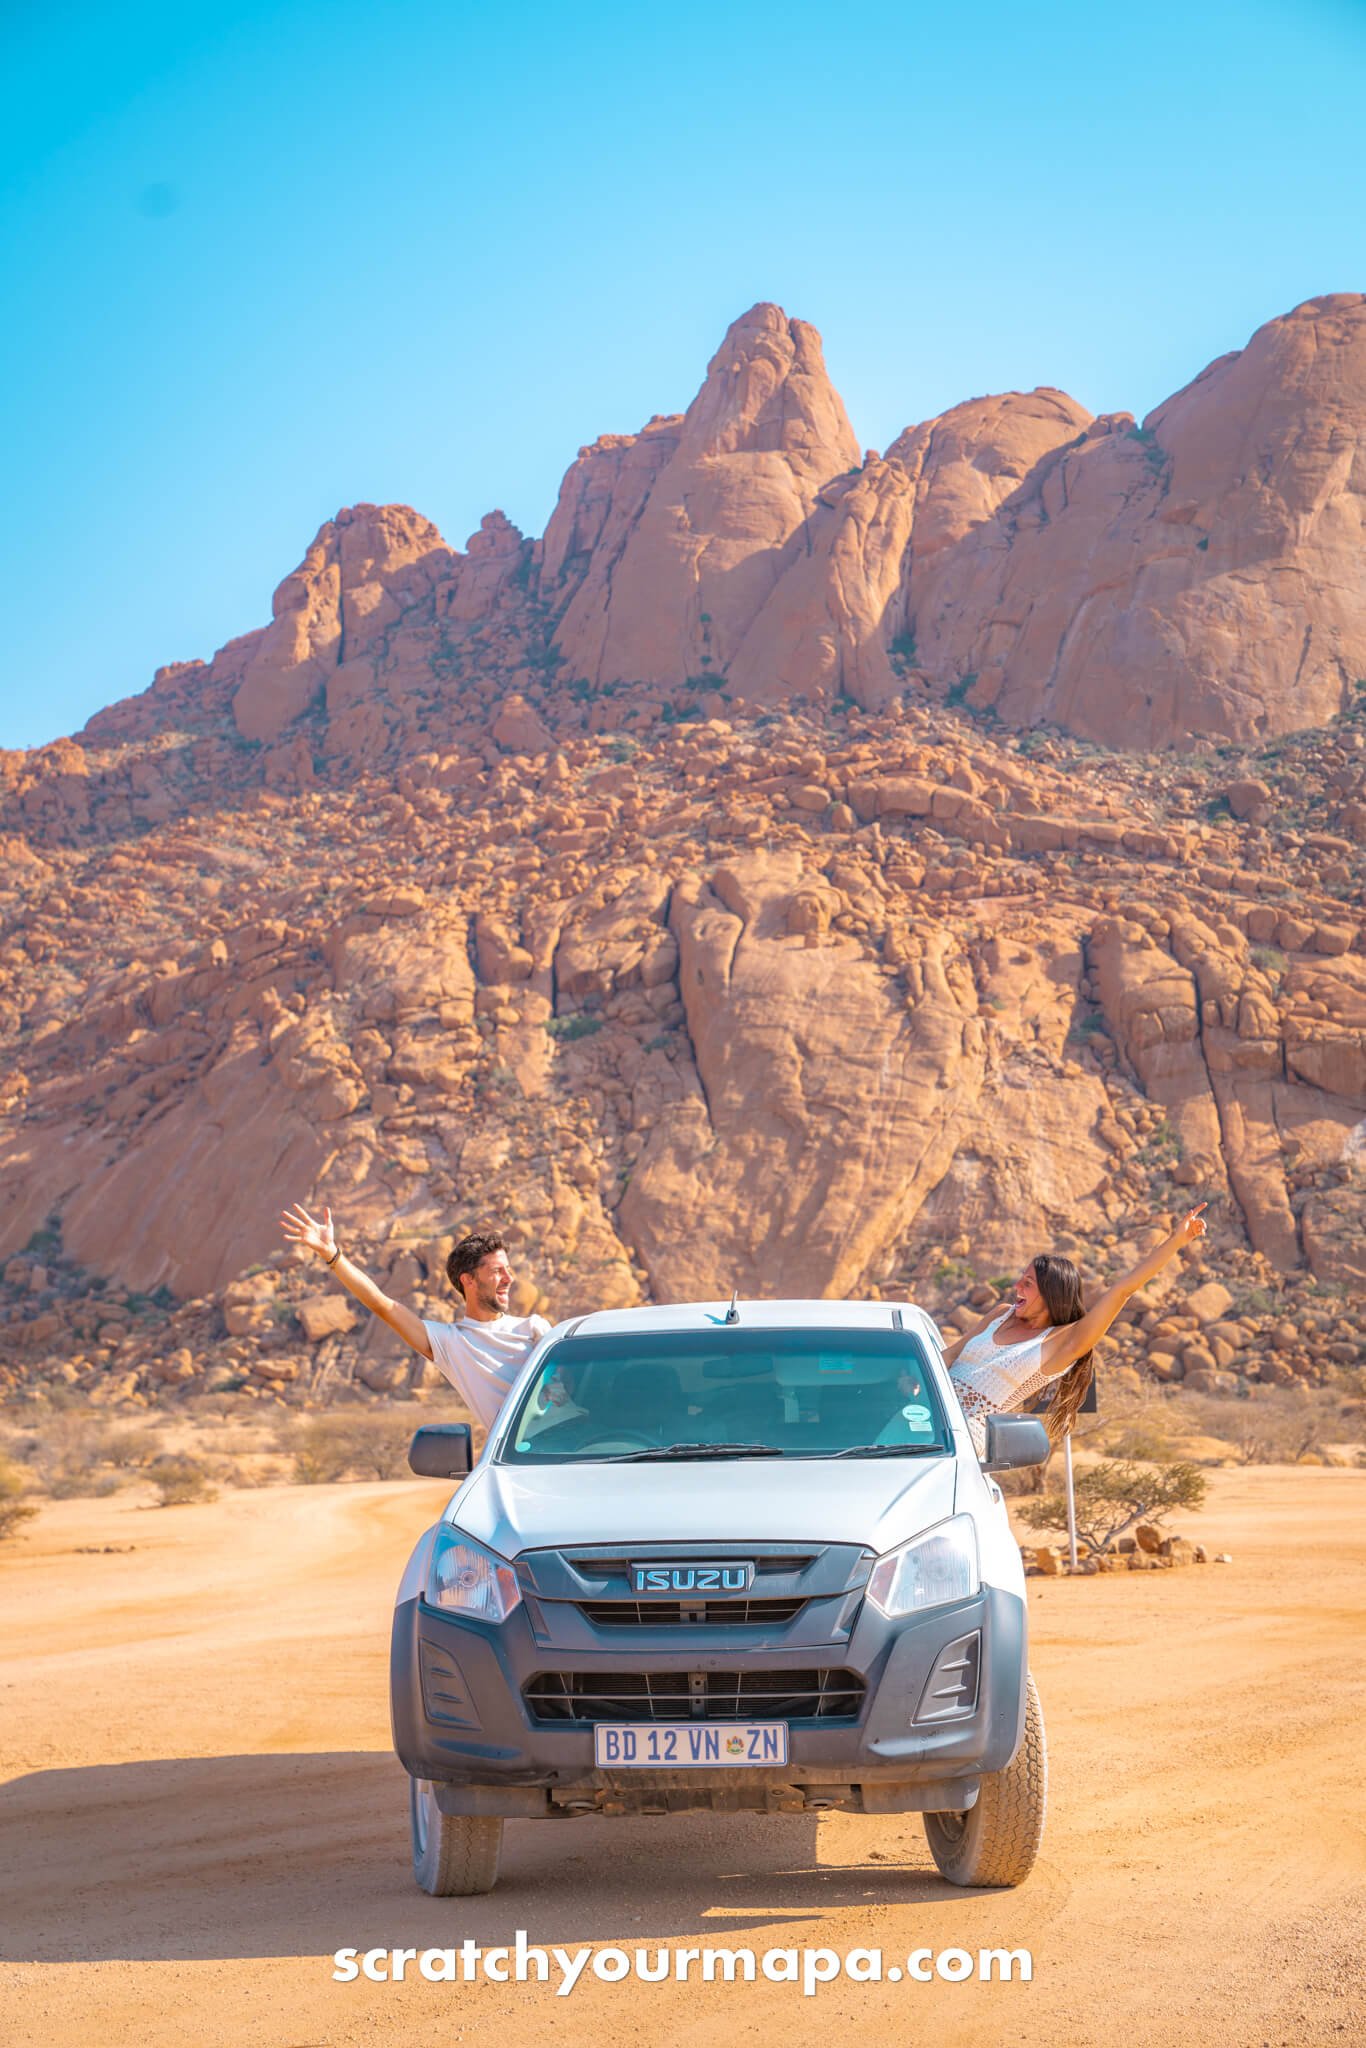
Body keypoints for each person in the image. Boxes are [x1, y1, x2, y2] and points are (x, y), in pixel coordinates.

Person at [940, 1204, 1209, 1455]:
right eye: (1021, 1280)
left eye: (1028, 1283)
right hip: (925, 1413)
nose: (1017, 1288)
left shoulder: (1064, 1341)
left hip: (960, 1443)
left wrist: (1177, 1241)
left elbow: (1122, 1291)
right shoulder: (1001, 1314)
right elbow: (949, 1356)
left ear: (1050, 1294)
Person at [279, 1201, 550, 1426]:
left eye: (508, 1270)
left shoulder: (534, 1329)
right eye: (497, 1271)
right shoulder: (450, 1343)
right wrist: (332, 1254)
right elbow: (382, 1305)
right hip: (525, 1465)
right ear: (468, 1280)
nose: (509, 1279)